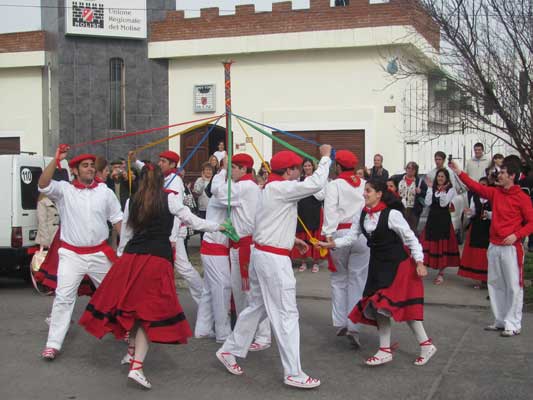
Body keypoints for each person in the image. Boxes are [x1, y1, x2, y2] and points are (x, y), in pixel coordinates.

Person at [79, 164, 224, 389]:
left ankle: (130, 353)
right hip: (155, 262)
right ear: (160, 180)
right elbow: (194, 221)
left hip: (131, 260)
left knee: (134, 309)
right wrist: (219, 227)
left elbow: (126, 235)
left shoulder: (132, 201)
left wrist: (121, 259)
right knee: (147, 315)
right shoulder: (170, 199)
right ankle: (137, 368)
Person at [216, 146, 331, 389]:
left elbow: (267, 223)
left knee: (258, 306)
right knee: (287, 313)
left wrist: (292, 239)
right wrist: (325, 156)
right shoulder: (281, 188)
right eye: (297, 170)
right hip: (272, 260)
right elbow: (316, 183)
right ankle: (293, 372)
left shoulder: (269, 188)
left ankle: (230, 349)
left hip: (263, 253)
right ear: (288, 171)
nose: (299, 173)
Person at [317, 180, 436, 367]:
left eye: (368, 191)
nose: (364, 194)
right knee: (382, 307)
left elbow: (411, 238)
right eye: (364, 191)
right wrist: (332, 244)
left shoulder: (392, 215)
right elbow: (351, 236)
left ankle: (391, 349)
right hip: (378, 266)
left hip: (398, 265)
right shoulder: (362, 213)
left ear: (379, 194)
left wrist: (419, 262)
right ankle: (410, 347)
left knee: (390, 306)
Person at [39, 148, 123, 360]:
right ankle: (53, 344)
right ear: (74, 170)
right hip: (71, 254)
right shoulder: (64, 190)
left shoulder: (105, 192)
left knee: (116, 293)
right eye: (85, 166)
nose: (90, 169)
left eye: (92, 165)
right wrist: (56, 160)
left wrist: (127, 248)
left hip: (99, 253)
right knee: (63, 298)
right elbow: (43, 184)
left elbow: (118, 221)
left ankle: (129, 333)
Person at [450, 157, 533, 337]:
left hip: (512, 248)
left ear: (512, 176)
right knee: (495, 284)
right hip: (494, 246)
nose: (499, 175)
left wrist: (516, 235)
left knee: (513, 286)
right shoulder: (496, 193)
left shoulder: (522, 198)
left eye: (502, 173)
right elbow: (476, 187)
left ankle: (513, 323)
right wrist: (459, 173)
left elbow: (531, 223)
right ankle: (500, 320)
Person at [212, 153, 272, 351]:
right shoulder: (244, 185)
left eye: (235, 167)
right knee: (240, 292)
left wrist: (222, 171)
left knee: (250, 293)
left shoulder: (244, 186)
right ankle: (247, 333)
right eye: (231, 167)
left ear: (244, 170)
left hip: (247, 245)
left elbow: (218, 193)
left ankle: (262, 335)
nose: (231, 171)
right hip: (238, 244)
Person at [130, 150, 204, 305]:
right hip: (166, 232)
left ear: (172, 164)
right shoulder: (163, 177)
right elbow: (148, 169)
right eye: (160, 160)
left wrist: (172, 238)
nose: (160, 163)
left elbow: (176, 212)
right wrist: (136, 161)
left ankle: (204, 298)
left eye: (164, 161)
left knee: (184, 268)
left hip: (172, 233)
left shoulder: (175, 180)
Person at [321, 150, 370, 347]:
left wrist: (328, 235)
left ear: (338, 166)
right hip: (362, 234)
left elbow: (330, 210)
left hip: (340, 234)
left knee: (339, 277)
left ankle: (341, 321)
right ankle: (354, 324)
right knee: (357, 280)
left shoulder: (335, 185)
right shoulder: (365, 185)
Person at [194, 193, 232, 343]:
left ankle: (202, 329)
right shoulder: (222, 192)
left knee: (209, 290)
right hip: (215, 248)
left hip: (213, 247)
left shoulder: (222, 190)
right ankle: (223, 333)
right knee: (222, 289)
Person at [420, 168, 460, 285]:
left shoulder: (450, 189)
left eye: (442, 177)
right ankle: (424, 268)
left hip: (443, 220)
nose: (440, 179)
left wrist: (442, 191)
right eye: (438, 176)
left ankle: (441, 273)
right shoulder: (432, 188)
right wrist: (429, 188)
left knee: (443, 246)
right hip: (432, 219)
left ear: (446, 178)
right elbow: (427, 203)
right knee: (426, 244)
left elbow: (444, 203)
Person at [292, 159, 325, 273]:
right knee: (303, 237)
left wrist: (311, 186)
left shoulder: (318, 180)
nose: (307, 168)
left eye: (309, 165)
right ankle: (304, 261)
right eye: (305, 166)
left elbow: (321, 196)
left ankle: (316, 262)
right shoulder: (299, 180)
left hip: (315, 211)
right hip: (302, 211)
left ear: (313, 167)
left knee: (315, 237)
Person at [457, 177, 491, 287]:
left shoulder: (492, 197)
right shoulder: (475, 197)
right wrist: (469, 212)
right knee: (477, 253)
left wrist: (489, 215)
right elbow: (472, 212)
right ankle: (480, 279)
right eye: (480, 184)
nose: (482, 187)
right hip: (477, 226)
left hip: (488, 228)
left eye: (484, 185)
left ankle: (488, 279)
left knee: (487, 253)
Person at [398, 161, 427, 232]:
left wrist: (420, 192)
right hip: (402, 208)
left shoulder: (419, 181)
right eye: (408, 168)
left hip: (414, 210)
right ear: (406, 169)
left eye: (413, 169)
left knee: (412, 230)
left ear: (416, 170)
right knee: (401, 229)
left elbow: (426, 193)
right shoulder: (399, 179)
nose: (410, 170)